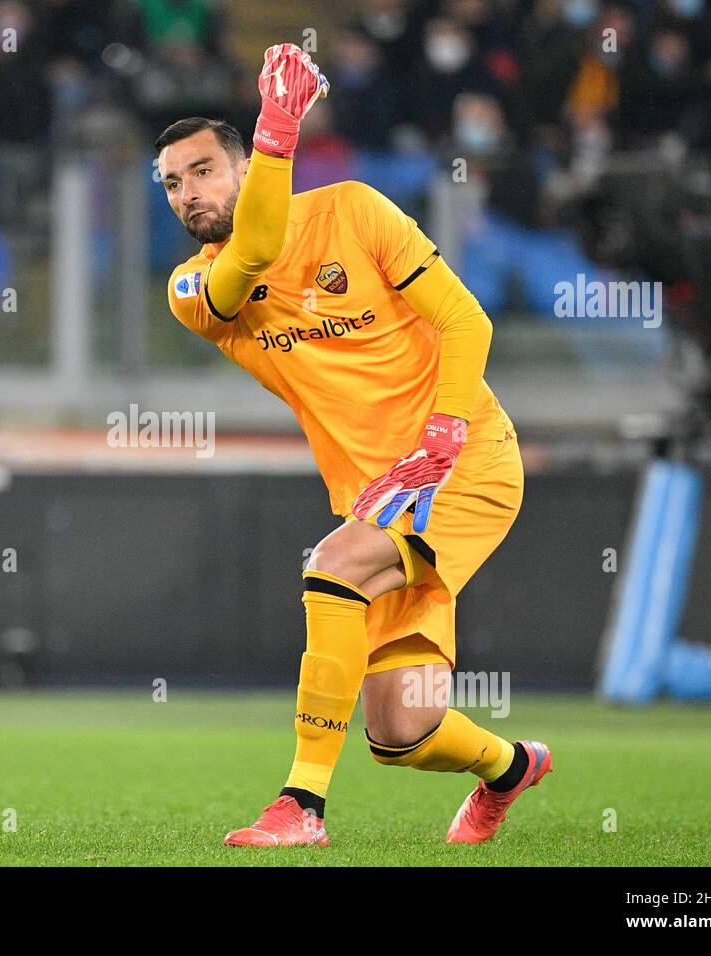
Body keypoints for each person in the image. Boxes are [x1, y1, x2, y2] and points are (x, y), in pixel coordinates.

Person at [158, 44, 549, 848]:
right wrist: (277, 129)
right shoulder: (196, 290)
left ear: (240, 171)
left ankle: (301, 806)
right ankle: (511, 767)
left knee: (332, 566)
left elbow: (466, 320)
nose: (185, 193)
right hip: (379, 492)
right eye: (169, 183)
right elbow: (257, 251)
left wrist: (444, 430)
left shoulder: (355, 211)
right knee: (402, 731)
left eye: (200, 171)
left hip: (466, 459)